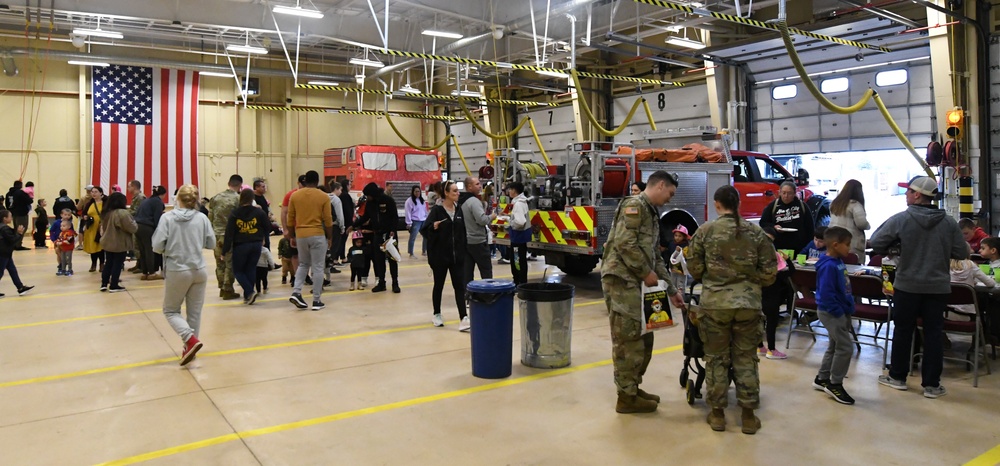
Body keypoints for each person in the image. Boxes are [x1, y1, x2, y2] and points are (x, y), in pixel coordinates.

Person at [686, 185, 776, 434]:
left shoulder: (705, 231)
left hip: (715, 305)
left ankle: (717, 415)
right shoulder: (756, 233)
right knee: (746, 358)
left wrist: (714, 278)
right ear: (738, 203)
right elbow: (770, 272)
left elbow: (694, 268)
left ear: (717, 204)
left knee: (716, 358)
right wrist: (750, 281)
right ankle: (748, 416)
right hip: (748, 306)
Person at [871, 176, 967, 399]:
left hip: (907, 285)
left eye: (908, 191)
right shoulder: (949, 222)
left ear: (917, 195)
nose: (905, 195)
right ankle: (932, 385)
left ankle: (898, 377)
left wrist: (896, 248)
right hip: (937, 287)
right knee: (933, 334)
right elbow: (961, 253)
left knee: (903, 330)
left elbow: (876, 242)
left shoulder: (902, 219)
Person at [600, 171, 686, 414]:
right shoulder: (635, 206)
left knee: (644, 336)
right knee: (628, 339)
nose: (670, 198)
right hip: (622, 281)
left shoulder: (651, 211)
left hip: (637, 282)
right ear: (660, 185)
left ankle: (633, 387)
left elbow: (655, 255)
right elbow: (624, 244)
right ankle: (625, 397)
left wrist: (671, 290)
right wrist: (644, 272)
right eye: (670, 193)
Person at [152, 184, 215, 366]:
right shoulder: (202, 218)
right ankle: (189, 349)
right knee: (194, 313)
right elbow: (211, 243)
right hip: (199, 269)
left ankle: (190, 340)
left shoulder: (167, 218)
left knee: (171, 310)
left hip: (177, 269)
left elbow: (157, 245)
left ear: (177, 198)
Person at [813, 226, 858, 405]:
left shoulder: (838, 261)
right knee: (846, 347)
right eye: (847, 245)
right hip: (831, 312)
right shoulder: (828, 266)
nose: (850, 248)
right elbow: (826, 293)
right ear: (835, 244)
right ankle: (835, 384)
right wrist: (838, 311)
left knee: (835, 345)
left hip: (841, 310)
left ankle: (822, 378)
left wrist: (848, 306)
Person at [421, 180, 469, 330]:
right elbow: (424, 230)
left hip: (457, 257)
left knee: (459, 286)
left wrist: (463, 250)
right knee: (439, 285)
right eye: (454, 191)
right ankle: (437, 314)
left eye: (457, 191)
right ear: (446, 193)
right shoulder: (437, 211)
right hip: (440, 257)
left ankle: (463, 317)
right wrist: (433, 228)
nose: (457, 193)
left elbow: (462, 232)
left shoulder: (459, 209)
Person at [286, 170, 334, 311]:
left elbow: (290, 218)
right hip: (318, 234)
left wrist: (292, 236)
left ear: (305, 180)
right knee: (318, 267)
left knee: (303, 264)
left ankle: (296, 292)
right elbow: (328, 220)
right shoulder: (323, 196)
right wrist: (329, 237)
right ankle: (316, 300)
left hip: (300, 234)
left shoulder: (295, 196)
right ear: (317, 181)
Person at [223, 189, 270, 305]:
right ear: (252, 199)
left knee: (238, 270)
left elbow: (229, 233)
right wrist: (262, 236)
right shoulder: (259, 212)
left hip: (241, 245)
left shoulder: (235, 213)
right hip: (256, 244)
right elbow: (268, 226)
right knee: (250, 268)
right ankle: (247, 296)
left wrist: (224, 251)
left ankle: (249, 291)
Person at [357, 182, 400, 293]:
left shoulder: (388, 200)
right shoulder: (370, 204)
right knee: (379, 260)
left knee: (392, 259)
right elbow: (365, 217)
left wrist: (393, 230)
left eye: (368, 195)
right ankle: (381, 283)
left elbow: (395, 217)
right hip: (377, 235)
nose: (368, 197)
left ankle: (395, 283)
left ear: (373, 193)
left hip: (390, 236)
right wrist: (353, 225)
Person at [758, 226, 792, 360]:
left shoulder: (759, 270)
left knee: (759, 323)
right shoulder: (778, 276)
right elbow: (792, 271)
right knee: (771, 325)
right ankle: (771, 349)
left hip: (759, 298)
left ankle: (759, 346)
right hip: (772, 301)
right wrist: (788, 259)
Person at [209, 175, 242, 300]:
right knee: (230, 263)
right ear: (240, 185)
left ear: (228, 183)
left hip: (216, 234)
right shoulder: (238, 199)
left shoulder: (215, 198)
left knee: (219, 263)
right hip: (230, 235)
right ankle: (228, 289)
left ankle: (221, 288)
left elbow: (210, 217)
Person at [460, 177, 497, 289]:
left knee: (467, 271)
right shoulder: (474, 201)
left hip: (466, 241)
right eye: (477, 184)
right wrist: (492, 216)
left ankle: (468, 296)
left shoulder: (461, 201)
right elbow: (482, 220)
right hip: (478, 241)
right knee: (486, 270)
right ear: (469, 186)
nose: (480, 186)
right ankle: (488, 295)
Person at [759, 180, 814, 254]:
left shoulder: (802, 206)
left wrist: (808, 246)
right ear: (780, 192)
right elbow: (763, 222)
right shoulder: (774, 205)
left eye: (789, 193)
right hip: (779, 245)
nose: (786, 196)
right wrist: (774, 226)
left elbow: (810, 227)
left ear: (794, 193)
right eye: (784, 193)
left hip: (799, 246)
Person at [99, 192, 138, 293]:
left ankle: (104, 283)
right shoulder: (122, 213)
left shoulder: (106, 212)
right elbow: (131, 228)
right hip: (119, 242)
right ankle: (114, 285)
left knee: (108, 262)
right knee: (118, 263)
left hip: (107, 241)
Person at [828, 179, 870, 264]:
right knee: (853, 268)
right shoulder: (855, 205)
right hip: (851, 243)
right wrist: (868, 226)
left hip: (834, 241)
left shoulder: (835, 203)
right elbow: (861, 224)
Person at [134, 185, 166, 281]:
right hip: (147, 227)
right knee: (150, 250)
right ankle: (152, 273)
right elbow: (157, 218)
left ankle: (144, 272)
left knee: (142, 250)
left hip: (137, 226)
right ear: (163, 194)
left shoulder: (146, 200)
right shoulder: (158, 202)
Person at [0, 209, 34, 297]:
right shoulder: (4, 228)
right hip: (3, 254)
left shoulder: (3, 227)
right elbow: (12, 240)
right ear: (5, 218)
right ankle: (20, 287)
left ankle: (20, 287)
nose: (11, 218)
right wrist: (19, 234)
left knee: (13, 271)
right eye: (10, 216)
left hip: (6, 253)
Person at [503, 181, 531, 285]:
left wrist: (509, 222)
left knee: (517, 262)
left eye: (510, 189)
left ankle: (519, 282)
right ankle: (522, 282)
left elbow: (520, 221)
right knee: (521, 260)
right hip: (521, 238)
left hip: (518, 238)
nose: (508, 191)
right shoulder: (522, 202)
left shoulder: (518, 204)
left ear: (514, 191)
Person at [281, 175, 305, 280]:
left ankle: (304, 275)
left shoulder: (311, 194)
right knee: (295, 254)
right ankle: (296, 275)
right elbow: (284, 212)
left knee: (306, 254)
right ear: (298, 183)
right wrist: (285, 229)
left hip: (306, 228)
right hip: (294, 229)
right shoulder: (291, 195)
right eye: (302, 184)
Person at [81, 186, 106, 272]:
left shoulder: (105, 203)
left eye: (96, 192)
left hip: (101, 227)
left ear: (101, 193)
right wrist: (85, 217)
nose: (93, 193)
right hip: (91, 228)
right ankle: (93, 264)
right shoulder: (89, 203)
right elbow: (84, 213)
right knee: (92, 246)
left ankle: (102, 264)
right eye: (92, 192)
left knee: (100, 246)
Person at [5, 181, 32, 250]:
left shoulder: (8, 194)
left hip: (13, 214)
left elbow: (7, 204)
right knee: (22, 228)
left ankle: (15, 243)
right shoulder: (20, 193)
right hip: (21, 213)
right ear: (20, 185)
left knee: (16, 228)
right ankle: (18, 245)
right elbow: (29, 201)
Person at [327, 181, 346, 273]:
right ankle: (331, 265)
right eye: (340, 190)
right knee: (334, 247)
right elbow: (339, 215)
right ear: (336, 189)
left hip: (326, 226)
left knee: (327, 247)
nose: (341, 192)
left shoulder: (325, 197)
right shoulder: (336, 200)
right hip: (335, 226)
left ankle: (327, 265)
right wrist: (342, 227)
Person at [404, 185, 428, 258]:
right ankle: (411, 253)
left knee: (426, 236)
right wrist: (409, 223)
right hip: (415, 221)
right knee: (413, 237)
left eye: (419, 191)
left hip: (423, 220)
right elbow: (407, 212)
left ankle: (424, 251)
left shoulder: (422, 200)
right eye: (416, 191)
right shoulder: (409, 201)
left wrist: (426, 218)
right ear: (413, 192)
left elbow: (424, 210)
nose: (418, 193)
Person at [51, 209, 75, 275]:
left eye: (69, 215)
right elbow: (52, 231)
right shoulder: (56, 223)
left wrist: (71, 240)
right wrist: (53, 239)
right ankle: (61, 266)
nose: (67, 216)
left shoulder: (70, 224)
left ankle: (67, 268)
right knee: (58, 253)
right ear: (61, 215)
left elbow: (72, 233)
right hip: (58, 241)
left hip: (66, 243)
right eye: (65, 215)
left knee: (66, 255)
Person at [337, 179, 355, 265]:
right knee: (342, 240)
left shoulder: (341, 195)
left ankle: (342, 257)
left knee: (341, 240)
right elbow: (348, 211)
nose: (350, 186)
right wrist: (350, 223)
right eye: (349, 185)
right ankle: (339, 258)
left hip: (343, 221)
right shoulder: (346, 196)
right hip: (346, 222)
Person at [252, 178, 271, 249]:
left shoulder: (262, 196)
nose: (264, 188)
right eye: (262, 187)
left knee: (267, 243)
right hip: (258, 225)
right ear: (256, 187)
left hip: (265, 223)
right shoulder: (253, 198)